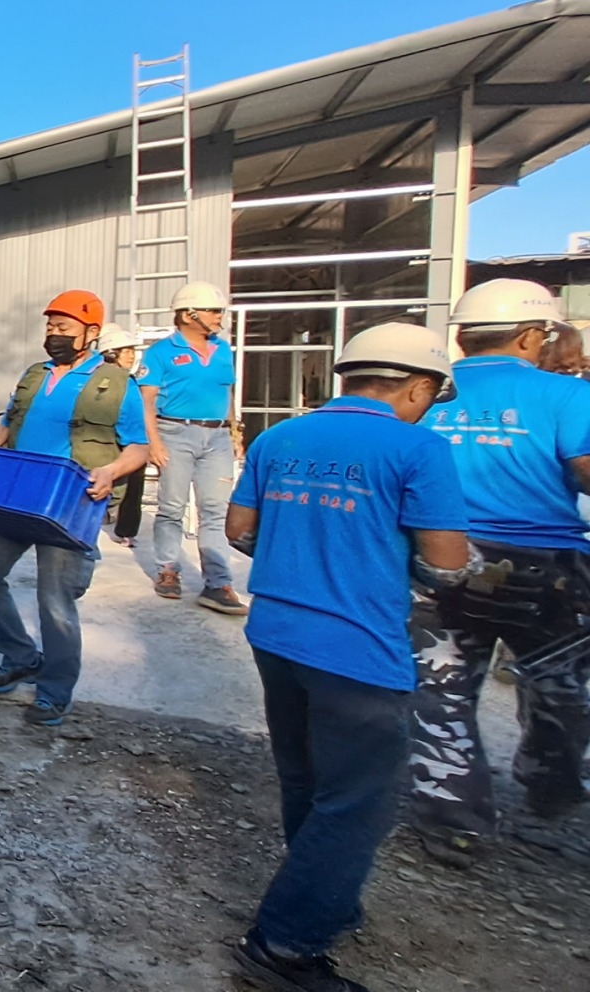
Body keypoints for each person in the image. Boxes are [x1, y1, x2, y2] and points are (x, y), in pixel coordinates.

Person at [224, 322, 471, 992]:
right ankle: (285, 944)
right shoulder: (419, 448)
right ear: (418, 387)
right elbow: (448, 564)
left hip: (276, 633)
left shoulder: (280, 437)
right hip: (358, 648)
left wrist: (302, 555)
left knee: (306, 776)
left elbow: (240, 530)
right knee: (360, 799)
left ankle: (324, 895)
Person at [406, 280, 590, 865]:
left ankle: (454, 822)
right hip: (546, 568)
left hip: (440, 559)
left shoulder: (427, 392)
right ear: (532, 335)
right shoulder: (568, 396)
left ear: (462, 334)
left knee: (441, 687)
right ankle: (550, 784)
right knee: (558, 682)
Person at [0, 290, 149, 727]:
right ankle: (20, 656)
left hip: (70, 500)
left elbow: (138, 448)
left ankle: (55, 691)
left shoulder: (115, 383)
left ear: (90, 333)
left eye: (64, 327)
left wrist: (110, 471)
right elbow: (8, 427)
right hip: (18, 493)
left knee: (55, 599)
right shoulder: (34, 375)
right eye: (50, 327)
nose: (54, 335)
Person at [141, 281, 245, 615]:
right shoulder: (160, 352)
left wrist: (234, 432)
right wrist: (154, 442)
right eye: (213, 311)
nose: (219, 317)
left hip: (217, 437)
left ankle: (218, 583)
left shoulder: (223, 350)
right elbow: (145, 401)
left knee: (215, 510)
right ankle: (168, 569)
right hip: (175, 433)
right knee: (172, 506)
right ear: (189, 315)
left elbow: (227, 393)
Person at [96, 324, 149, 547]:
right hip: (105, 439)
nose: (131, 356)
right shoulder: (96, 380)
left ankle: (126, 529)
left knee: (134, 485)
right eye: (126, 351)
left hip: (132, 440)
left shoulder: (130, 380)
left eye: (132, 351)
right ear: (110, 354)